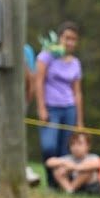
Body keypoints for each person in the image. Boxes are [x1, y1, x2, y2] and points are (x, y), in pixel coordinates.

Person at [36, 22, 84, 189]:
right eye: (66, 38)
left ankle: (61, 184)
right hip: (51, 107)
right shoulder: (46, 56)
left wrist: (79, 120)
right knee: (49, 146)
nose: (69, 42)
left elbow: (77, 92)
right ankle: (50, 179)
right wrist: (41, 107)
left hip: (69, 107)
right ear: (59, 38)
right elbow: (39, 81)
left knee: (65, 149)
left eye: (73, 39)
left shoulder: (76, 63)